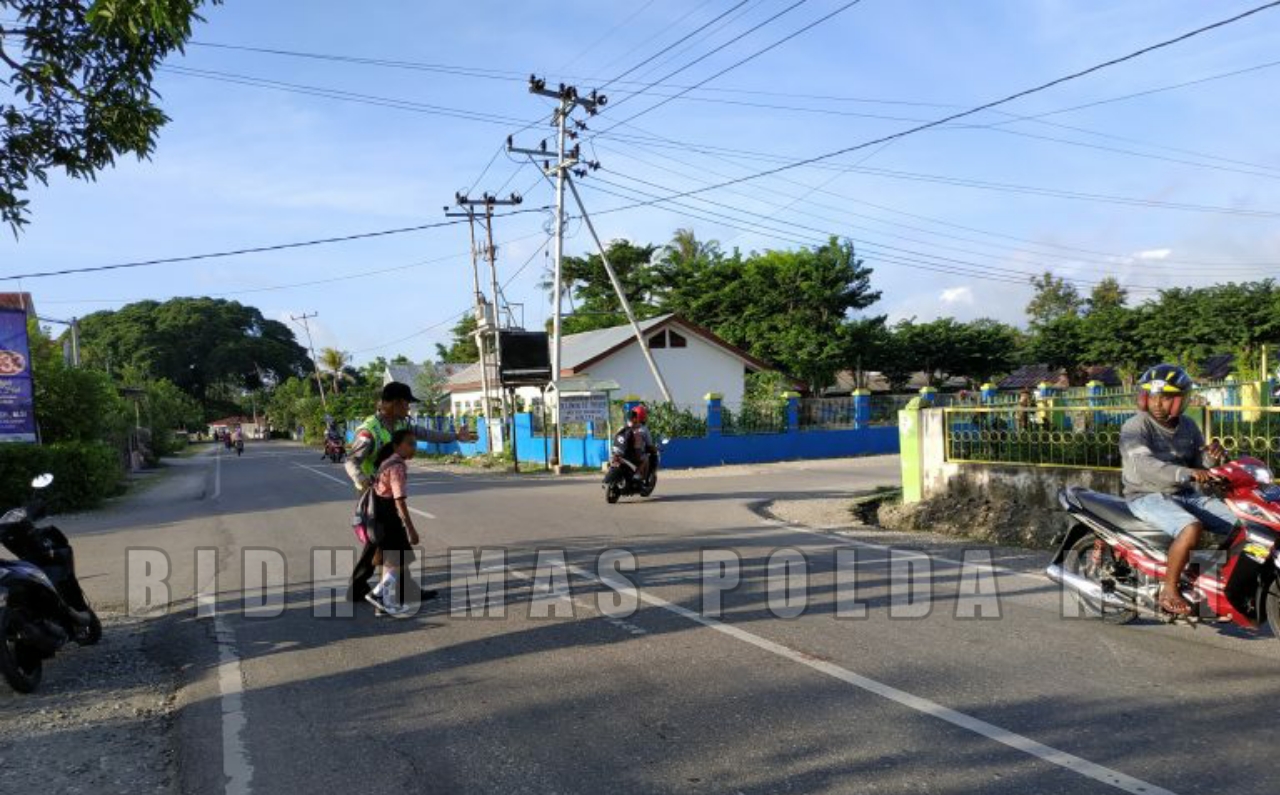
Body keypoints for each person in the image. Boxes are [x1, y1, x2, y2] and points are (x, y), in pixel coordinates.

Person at [1119, 364, 1232, 616]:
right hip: (1145, 495)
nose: (1158, 403)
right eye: (1154, 396)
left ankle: (1208, 575)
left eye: (1166, 397)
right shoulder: (1135, 426)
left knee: (1242, 524)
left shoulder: (1189, 426)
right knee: (1190, 528)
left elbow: (1199, 464)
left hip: (1185, 494)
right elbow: (1144, 465)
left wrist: (1215, 459)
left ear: (1181, 399)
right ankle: (1169, 590)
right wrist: (1187, 473)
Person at [345, 382, 475, 602]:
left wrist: (455, 436)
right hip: (373, 494)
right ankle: (390, 590)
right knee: (390, 539)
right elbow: (351, 461)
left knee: (382, 540)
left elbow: (426, 433)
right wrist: (362, 479)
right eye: (406, 404)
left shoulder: (400, 424)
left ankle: (365, 587)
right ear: (395, 404)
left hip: (385, 492)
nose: (409, 409)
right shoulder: (369, 431)